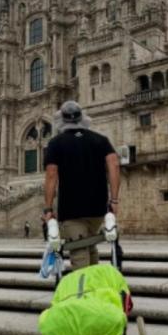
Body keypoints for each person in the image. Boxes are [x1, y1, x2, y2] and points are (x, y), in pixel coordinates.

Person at [43, 100, 120, 269]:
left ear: (61, 120)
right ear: (82, 118)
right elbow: (114, 164)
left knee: (79, 253)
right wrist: (114, 200)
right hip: (98, 208)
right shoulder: (101, 140)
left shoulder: (55, 143)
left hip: (72, 209)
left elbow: (51, 174)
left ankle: (84, 285)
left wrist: (48, 209)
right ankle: (95, 284)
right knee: (91, 246)